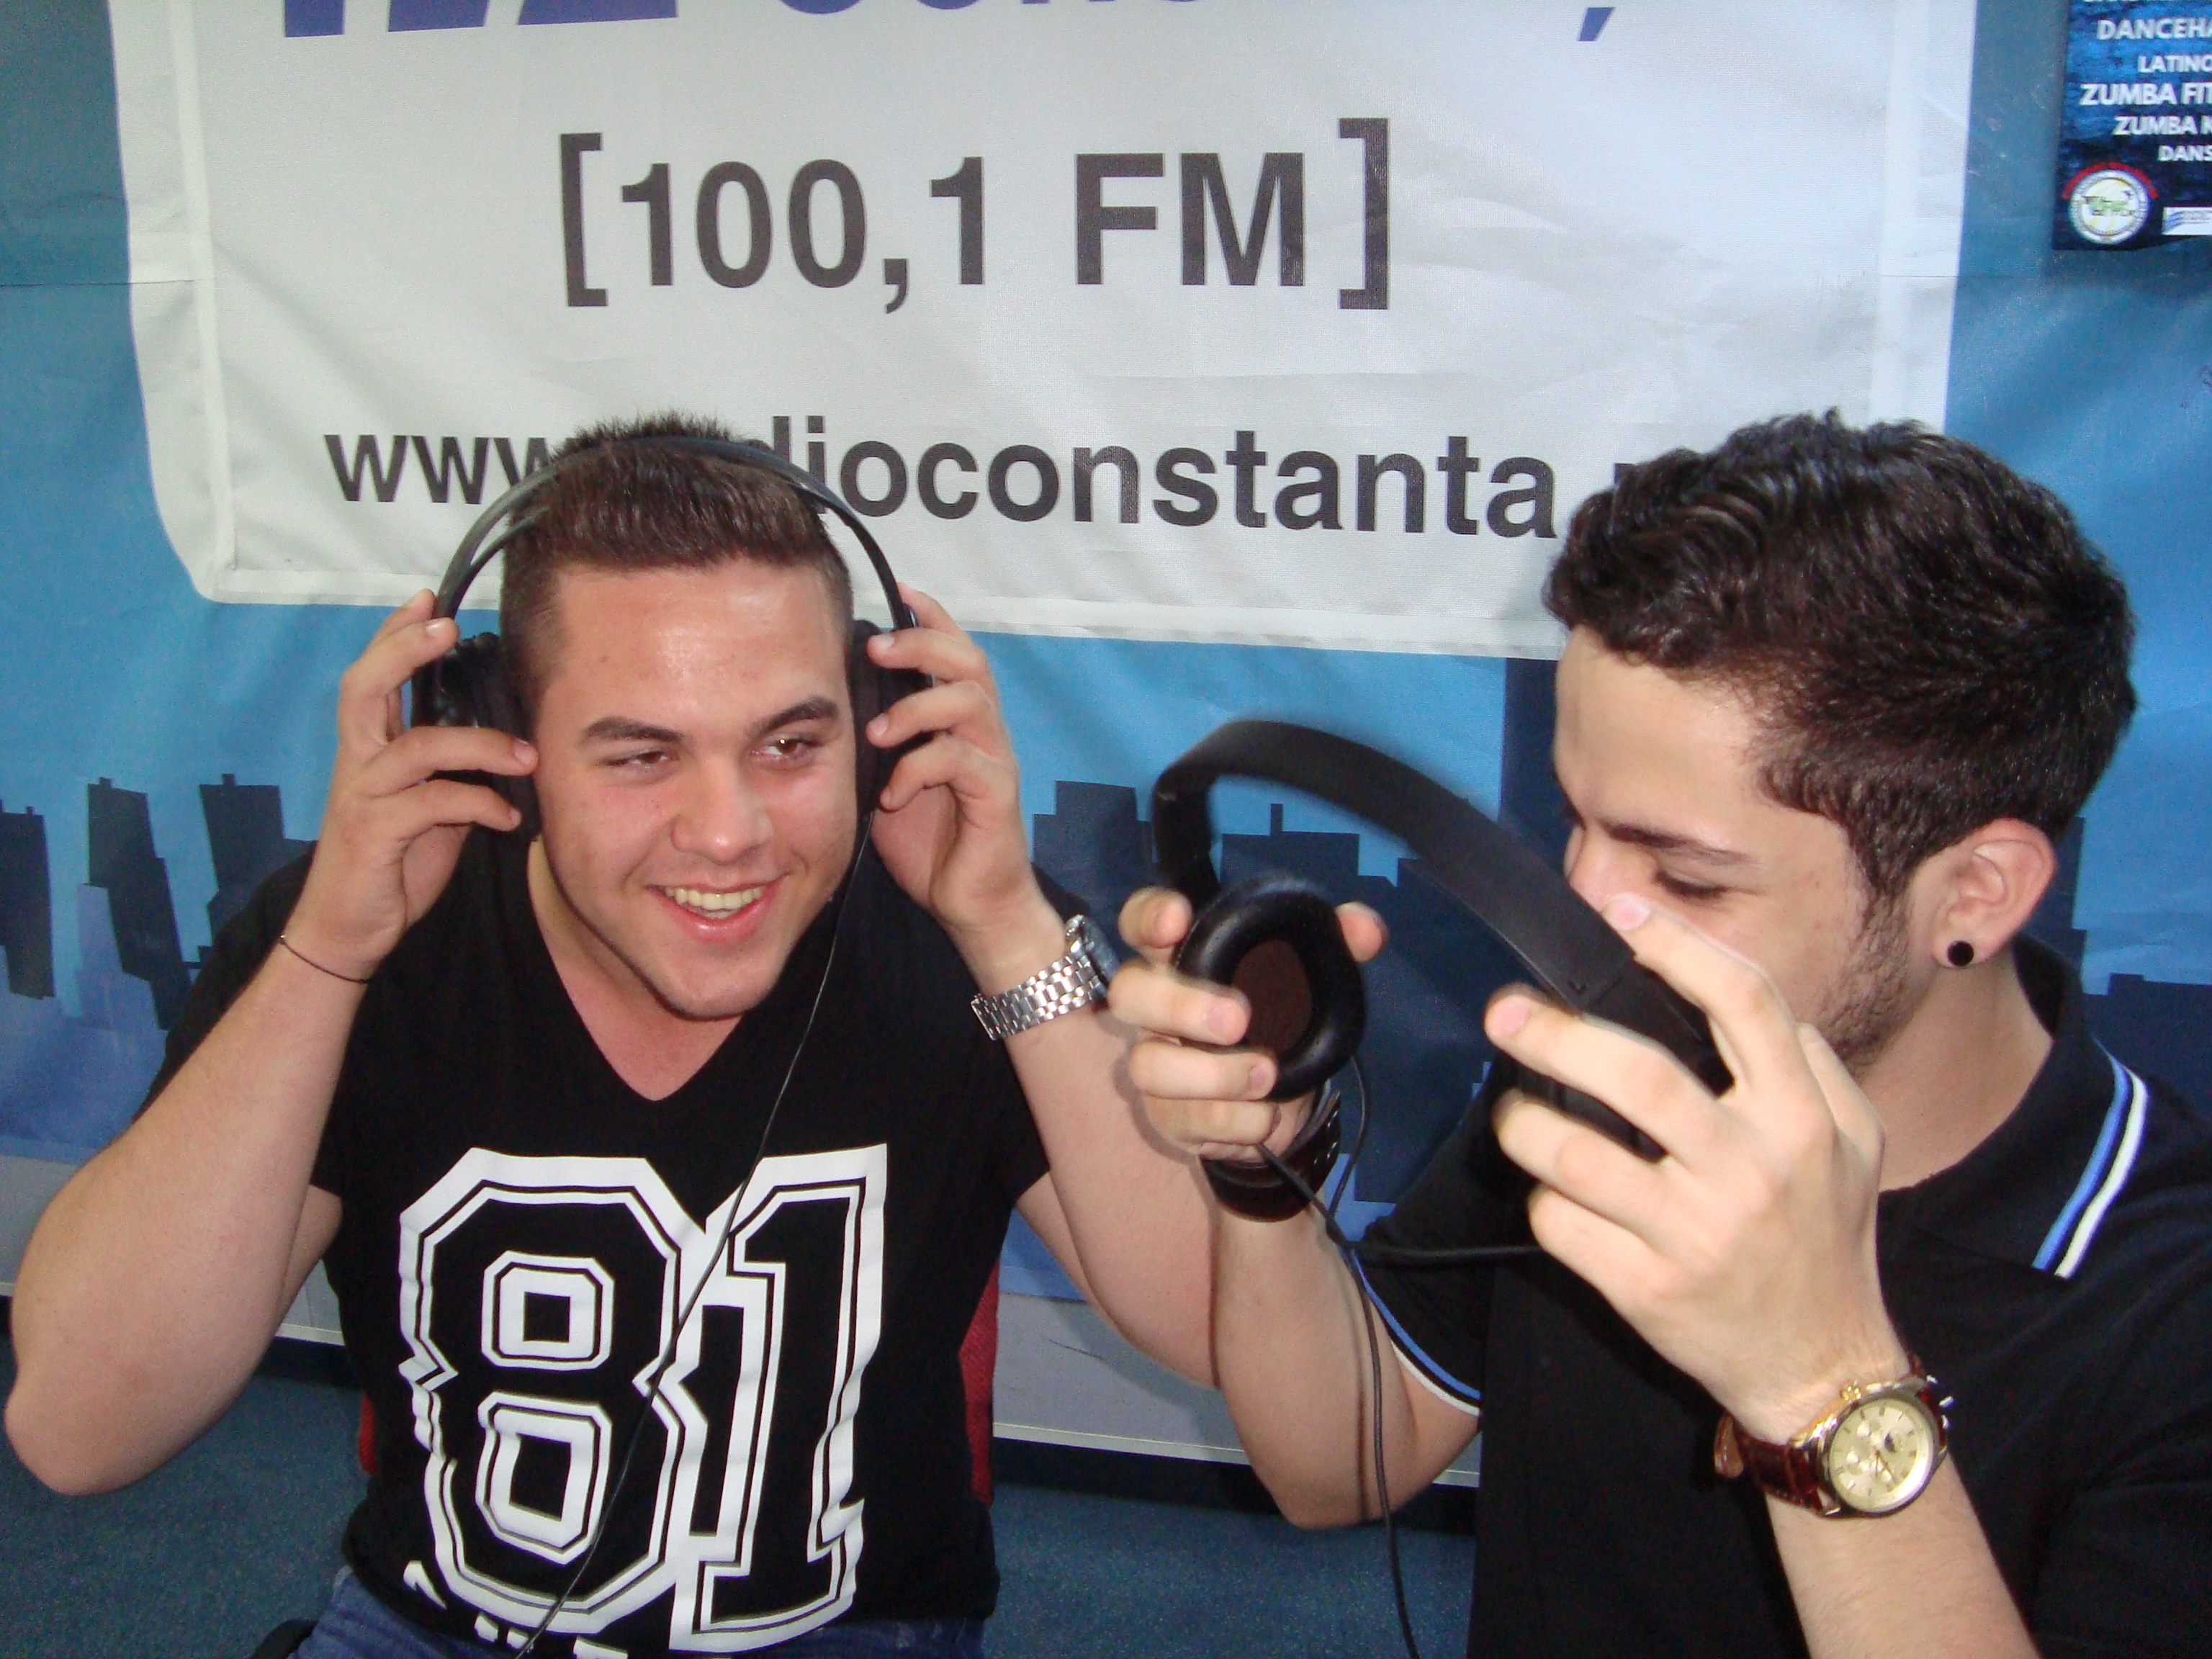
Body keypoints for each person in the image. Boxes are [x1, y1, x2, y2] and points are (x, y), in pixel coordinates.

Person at [4, 417, 1214, 1657]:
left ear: (874, 722)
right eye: (641, 755)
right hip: (434, 1624)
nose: (729, 833)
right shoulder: (359, 937)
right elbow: (80, 1429)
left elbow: (1224, 1326)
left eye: (791, 744)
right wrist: (328, 954)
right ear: (504, 747)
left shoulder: (968, 930)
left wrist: (1008, 930)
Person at [1110, 414, 2212, 1655]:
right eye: (1574, 824)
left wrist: (1822, 1386)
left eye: (1686, 877)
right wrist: (1263, 1171)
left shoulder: (2173, 1307)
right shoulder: (1609, 1082)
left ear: (1973, 894)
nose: (1581, 915)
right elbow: (1336, 1467)